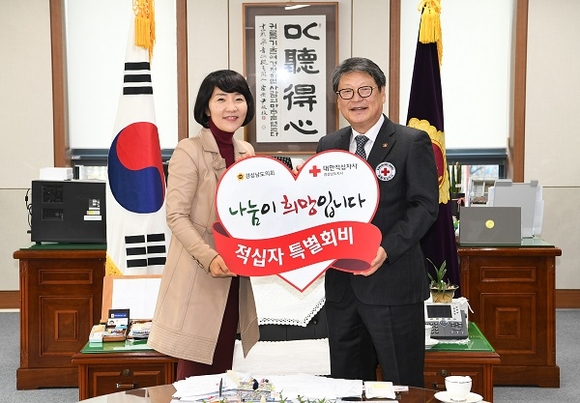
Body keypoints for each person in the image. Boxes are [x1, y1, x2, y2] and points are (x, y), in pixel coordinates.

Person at [317, 57, 439, 386]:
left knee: (402, 383)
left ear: (382, 93)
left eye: (365, 90)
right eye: (346, 92)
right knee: (346, 385)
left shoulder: (411, 142)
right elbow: (320, 207)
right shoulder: (328, 145)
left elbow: (425, 207)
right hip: (342, 289)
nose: (356, 99)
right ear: (338, 100)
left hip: (392, 283)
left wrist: (385, 249)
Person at [147, 69, 259, 380]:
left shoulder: (246, 152)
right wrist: (209, 257)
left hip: (234, 271)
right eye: (221, 99)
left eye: (238, 99)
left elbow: (253, 211)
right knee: (197, 366)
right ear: (206, 107)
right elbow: (176, 216)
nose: (231, 107)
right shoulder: (189, 149)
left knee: (222, 361)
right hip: (201, 271)